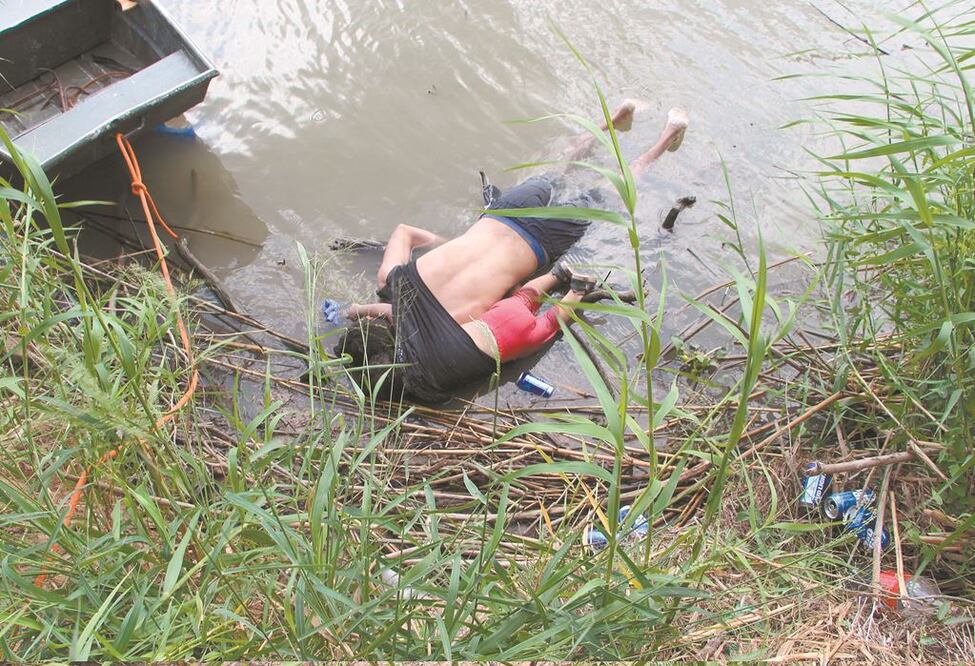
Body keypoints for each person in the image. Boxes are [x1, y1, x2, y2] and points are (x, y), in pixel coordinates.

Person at [339, 103, 689, 402]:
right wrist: (453, 244)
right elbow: (404, 231)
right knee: (561, 167)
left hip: (540, 244)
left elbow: (508, 313)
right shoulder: (392, 278)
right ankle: (615, 117)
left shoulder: (455, 327)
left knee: (611, 192)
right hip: (504, 212)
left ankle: (666, 136)